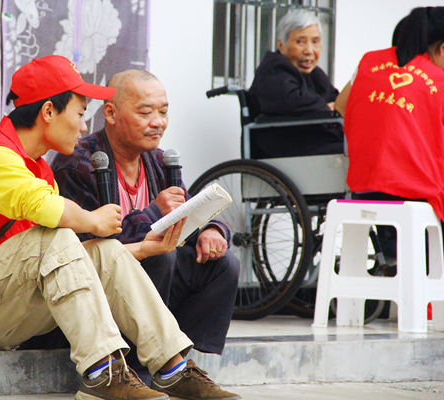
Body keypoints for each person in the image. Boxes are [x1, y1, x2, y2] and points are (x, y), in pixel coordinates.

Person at [0, 55, 240, 400]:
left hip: (1, 313)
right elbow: (45, 210)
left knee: (106, 250)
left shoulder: (41, 170)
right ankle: (102, 373)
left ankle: (172, 368)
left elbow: (64, 259)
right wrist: (93, 219)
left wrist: (142, 249)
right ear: (48, 112)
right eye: (81, 113)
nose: (84, 127)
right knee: (55, 234)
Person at [51, 69, 240, 372]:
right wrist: (154, 212)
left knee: (223, 263)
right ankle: (140, 367)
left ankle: (182, 360)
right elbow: (96, 248)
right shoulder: (80, 162)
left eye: (163, 112)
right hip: (95, 291)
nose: (158, 122)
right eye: (145, 112)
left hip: (153, 288)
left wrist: (212, 230)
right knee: (159, 256)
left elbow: (191, 211)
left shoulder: (159, 161)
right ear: (111, 114)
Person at [334, 7, 444, 222]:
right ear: (442, 48)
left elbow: (341, 105)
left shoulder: (369, 62)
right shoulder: (438, 79)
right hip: (417, 192)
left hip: (364, 185)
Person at [248, 9, 344, 159]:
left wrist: (337, 106)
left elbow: (336, 99)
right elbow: (294, 102)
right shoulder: (273, 70)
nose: (309, 50)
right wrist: (327, 108)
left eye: (315, 42)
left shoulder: (315, 74)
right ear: (281, 45)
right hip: (285, 146)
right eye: (300, 42)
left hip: (311, 141)